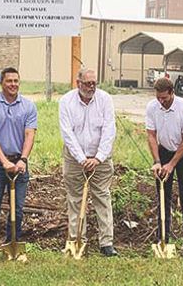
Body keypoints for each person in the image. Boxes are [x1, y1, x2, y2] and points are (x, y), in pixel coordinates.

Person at [59, 69, 118, 257]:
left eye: (94, 83)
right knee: (75, 199)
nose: (91, 87)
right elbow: (67, 132)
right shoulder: (66, 101)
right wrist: (81, 159)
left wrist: (98, 157)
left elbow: (109, 130)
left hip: (100, 159)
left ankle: (106, 243)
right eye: (87, 83)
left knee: (102, 197)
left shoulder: (105, 99)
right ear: (78, 83)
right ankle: (77, 240)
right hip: (74, 158)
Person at [0, 67, 37, 261]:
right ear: (1, 83)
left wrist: (23, 159)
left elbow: (30, 134)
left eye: (15, 81)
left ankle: (11, 244)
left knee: (17, 208)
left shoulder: (28, 106)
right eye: (9, 81)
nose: (13, 84)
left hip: (19, 162)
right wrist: (4, 162)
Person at [146, 77, 183, 256]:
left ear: (172, 92)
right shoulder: (152, 107)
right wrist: (158, 161)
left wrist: (171, 165)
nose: (161, 101)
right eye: (158, 98)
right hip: (164, 151)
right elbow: (151, 135)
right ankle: (163, 238)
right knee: (162, 196)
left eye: (164, 98)